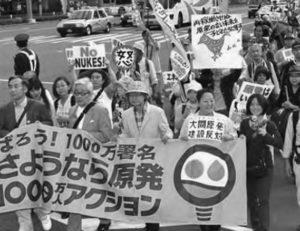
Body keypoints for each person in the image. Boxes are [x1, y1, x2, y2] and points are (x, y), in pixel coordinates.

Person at [179, 88, 237, 231]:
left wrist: (230, 137)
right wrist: (184, 139)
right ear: (198, 102)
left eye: (211, 100)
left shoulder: (223, 120)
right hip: (197, 168)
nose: (209, 103)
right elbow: (181, 140)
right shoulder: (191, 120)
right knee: (202, 203)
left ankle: (215, 227)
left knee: (217, 200)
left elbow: (235, 136)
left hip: (218, 167)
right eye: (205, 101)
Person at [0, 76, 53, 231]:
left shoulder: (38, 106)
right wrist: (13, 134)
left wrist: (38, 127)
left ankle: (42, 213)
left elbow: (49, 124)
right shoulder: (4, 109)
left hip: (34, 158)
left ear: (24, 89)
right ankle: (24, 224)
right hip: (15, 159)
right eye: (10, 86)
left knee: (36, 188)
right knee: (18, 190)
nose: (12, 90)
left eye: (16, 86)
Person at [119, 81, 173, 231]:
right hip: (136, 159)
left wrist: (167, 136)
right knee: (141, 193)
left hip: (154, 158)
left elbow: (166, 130)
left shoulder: (157, 112)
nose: (134, 99)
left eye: (138, 95)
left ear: (145, 96)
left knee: (152, 193)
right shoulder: (126, 114)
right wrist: (118, 139)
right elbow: (126, 134)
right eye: (132, 96)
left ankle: (152, 225)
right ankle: (149, 223)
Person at [66, 77, 113, 231]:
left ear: (90, 94)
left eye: (82, 93)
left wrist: (84, 135)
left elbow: (106, 135)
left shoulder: (100, 110)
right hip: (76, 159)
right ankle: (73, 228)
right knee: (75, 193)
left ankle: (105, 220)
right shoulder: (72, 110)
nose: (78, 96)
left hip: (94, 159)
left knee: (97, 191)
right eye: (76, 93)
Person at [240, 94, 282, 231]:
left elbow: (279, 143)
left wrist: (266, 135)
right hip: (248, 167)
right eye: (252, 104)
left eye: (258, 104)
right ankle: (255, 227)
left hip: (265, 167)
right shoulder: (244, 123)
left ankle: (264, 228)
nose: (255, 107)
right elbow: (241, 144)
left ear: (264, 106)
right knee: (252, 201)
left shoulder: (269, 124)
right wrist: (239, 138)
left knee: (263, 200)